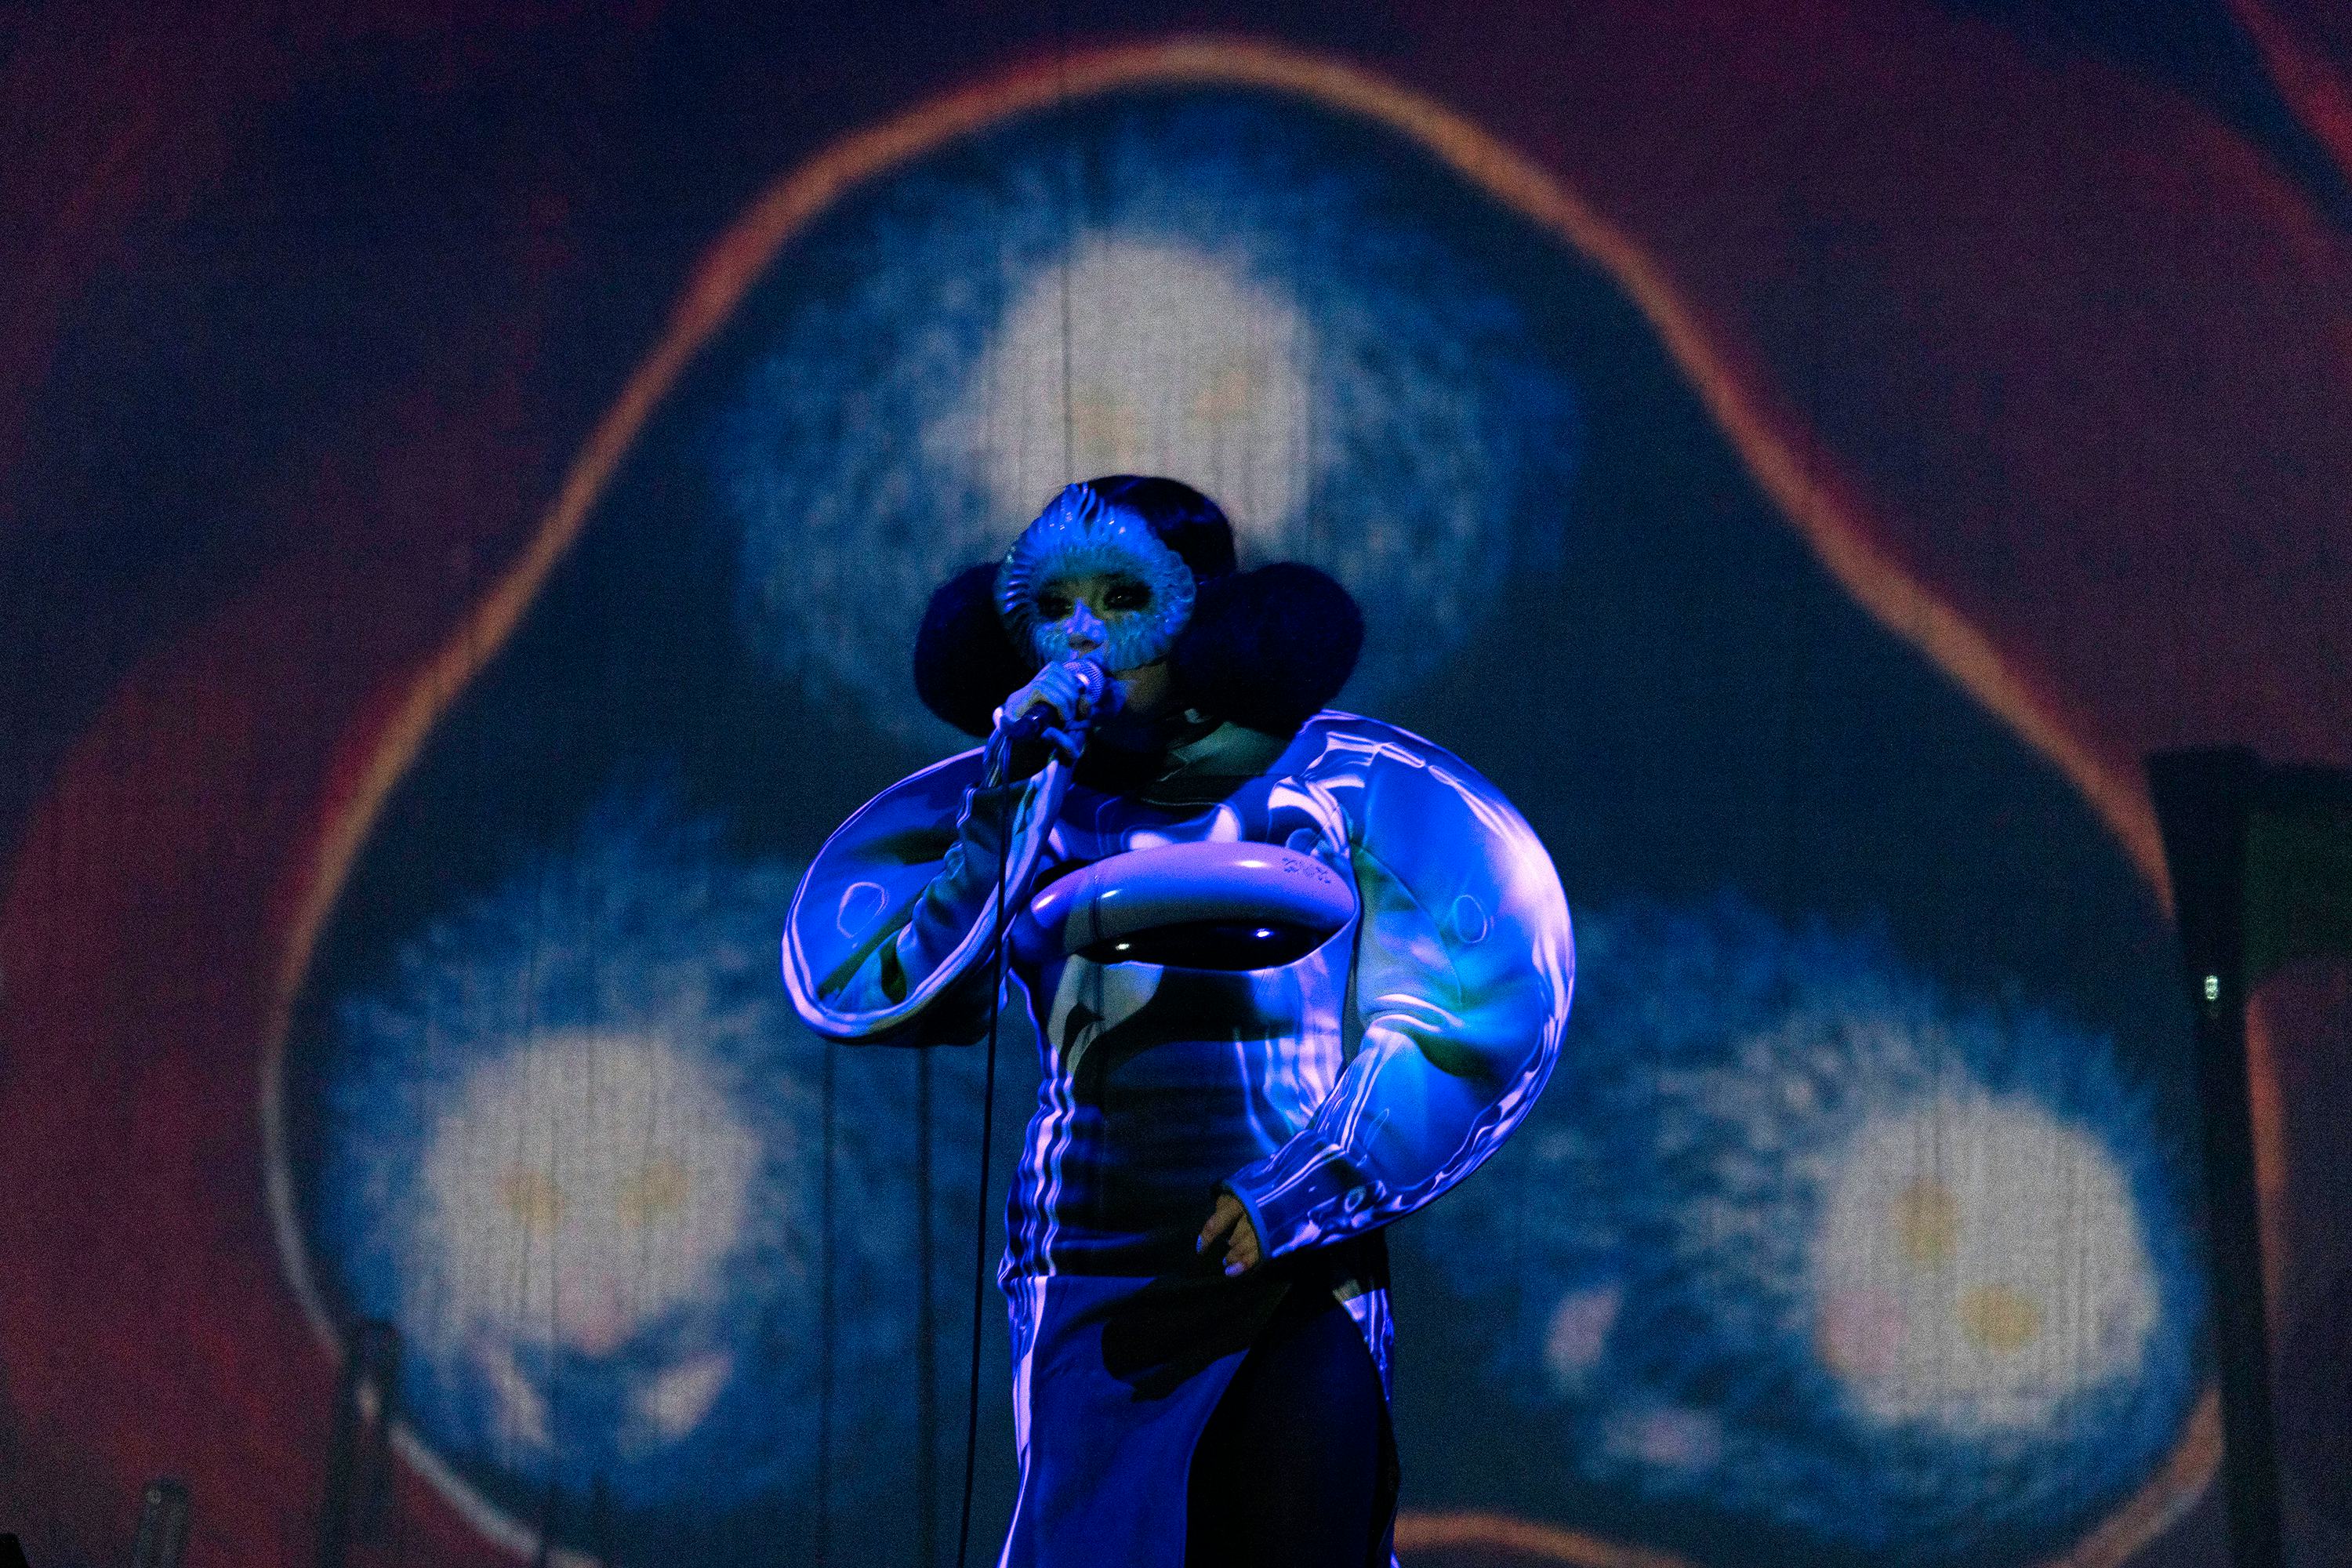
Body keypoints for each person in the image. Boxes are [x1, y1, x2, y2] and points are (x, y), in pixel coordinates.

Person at [783, 477, 1573, 1568]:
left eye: (1122, 598)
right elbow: (897, 988)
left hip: (1296, 1251)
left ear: (1201, 609)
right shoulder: (1019, 797)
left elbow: (1467, 1007)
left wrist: (1304, 1188)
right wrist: (1008, 804)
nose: (1085, 635)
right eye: (1053, 605)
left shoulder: (1341, 785)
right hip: (1097, 1261)